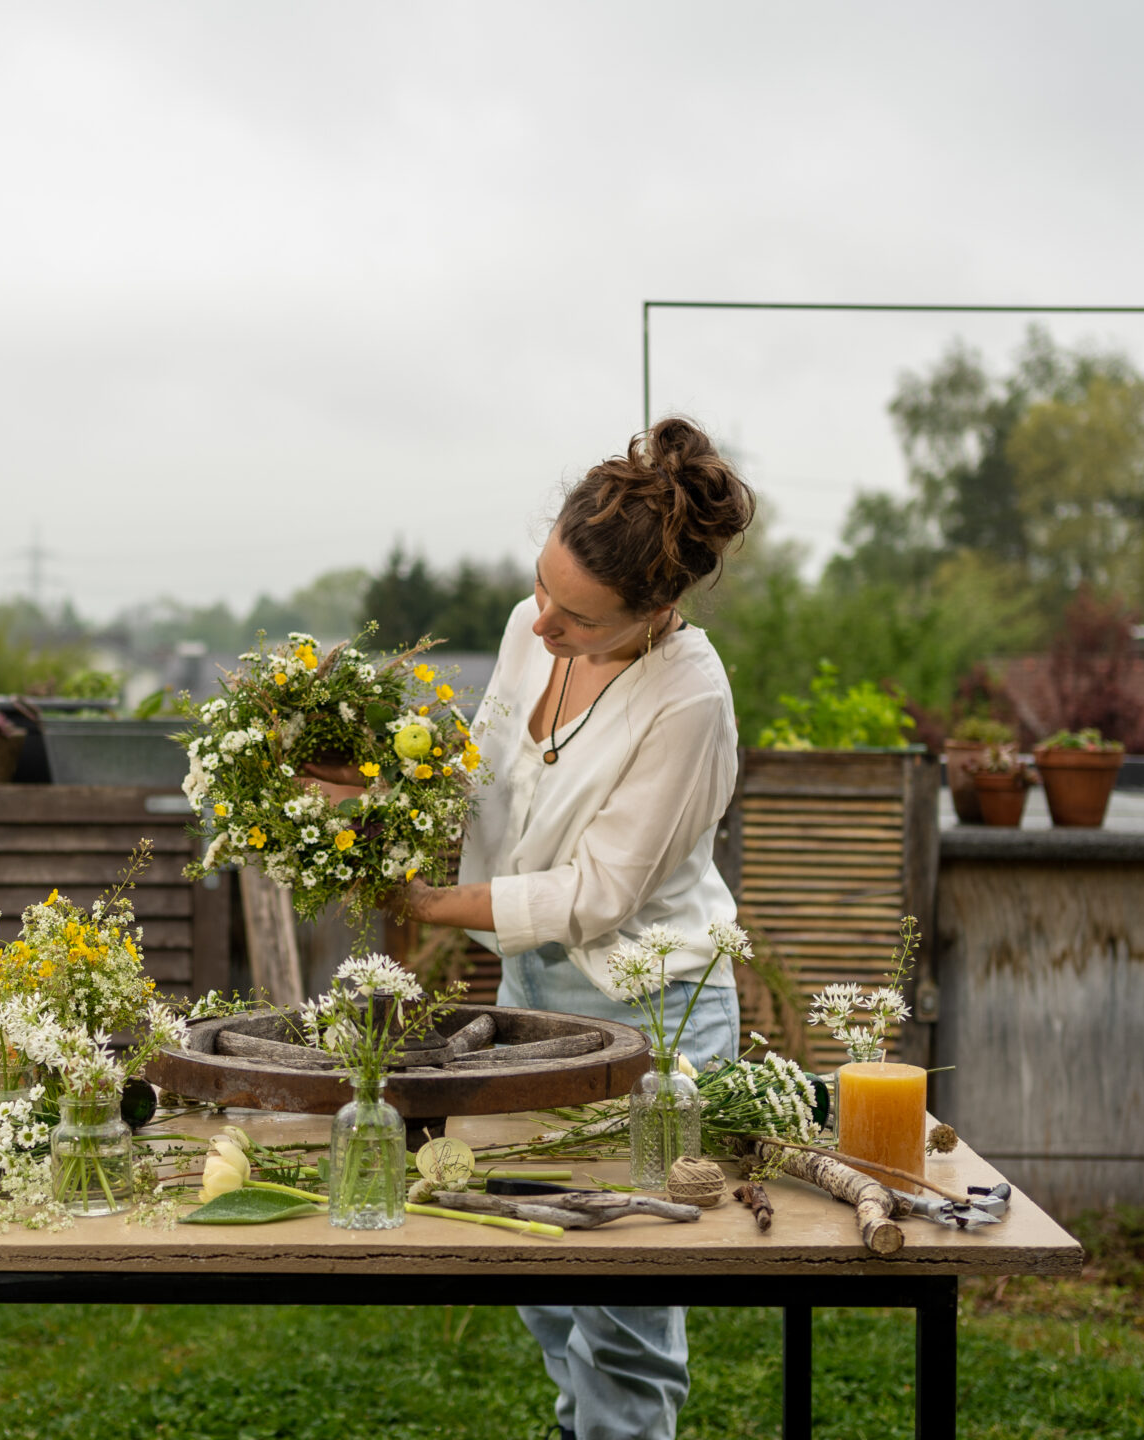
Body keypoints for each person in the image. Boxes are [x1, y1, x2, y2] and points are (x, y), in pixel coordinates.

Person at [402, 414, 756, 1440]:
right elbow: (487, 777)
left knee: (624, 1303)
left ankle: (615, 1429)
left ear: (658, 609)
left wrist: (428, 908)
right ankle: (584, 1426)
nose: (544, 625)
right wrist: (378, 790)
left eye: (579, 618)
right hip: (533, 1002)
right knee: (538, 1264)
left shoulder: (689, 701)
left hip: (652, 1016)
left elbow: (595, 893)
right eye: (543, 589)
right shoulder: (529, 627)